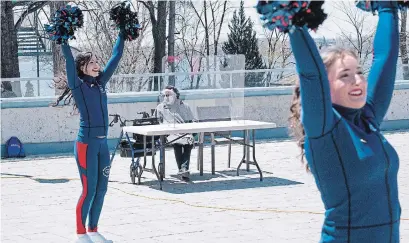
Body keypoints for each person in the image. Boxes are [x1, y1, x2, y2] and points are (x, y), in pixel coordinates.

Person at [287, 2, 400, 242]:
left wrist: (388, 7)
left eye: (359, 72)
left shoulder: (368, 120)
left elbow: (385, 58)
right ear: (324, 89)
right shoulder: (325, 129)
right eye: (345, 76)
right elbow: (311, 72)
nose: (357, 80)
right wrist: (295, 19)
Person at [54, 30, 125, 243]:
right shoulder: (79, 86)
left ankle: (94, 230)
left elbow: (117, 55)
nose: (96, 64)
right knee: (89, 189)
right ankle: (80, 234)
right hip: (86, 145)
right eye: (91, 62)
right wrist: (63, 38)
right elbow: (68, 58)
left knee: (102, 189)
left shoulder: (100, 84)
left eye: (96, 61)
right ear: (82, 67)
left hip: (103, 145)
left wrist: (123, 31)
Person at [154, 85, 196, 180]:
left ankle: (183, 169)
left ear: (176, 95)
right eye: (165, 95)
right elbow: (155, 121)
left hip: (184, 132)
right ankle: (184, 168)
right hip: (169, 133)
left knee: (188, 141)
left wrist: (192, 127)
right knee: (177, 142)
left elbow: (191, 120)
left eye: (169, 95)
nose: (166, 97)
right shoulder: (160, 107)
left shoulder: (184, 106)